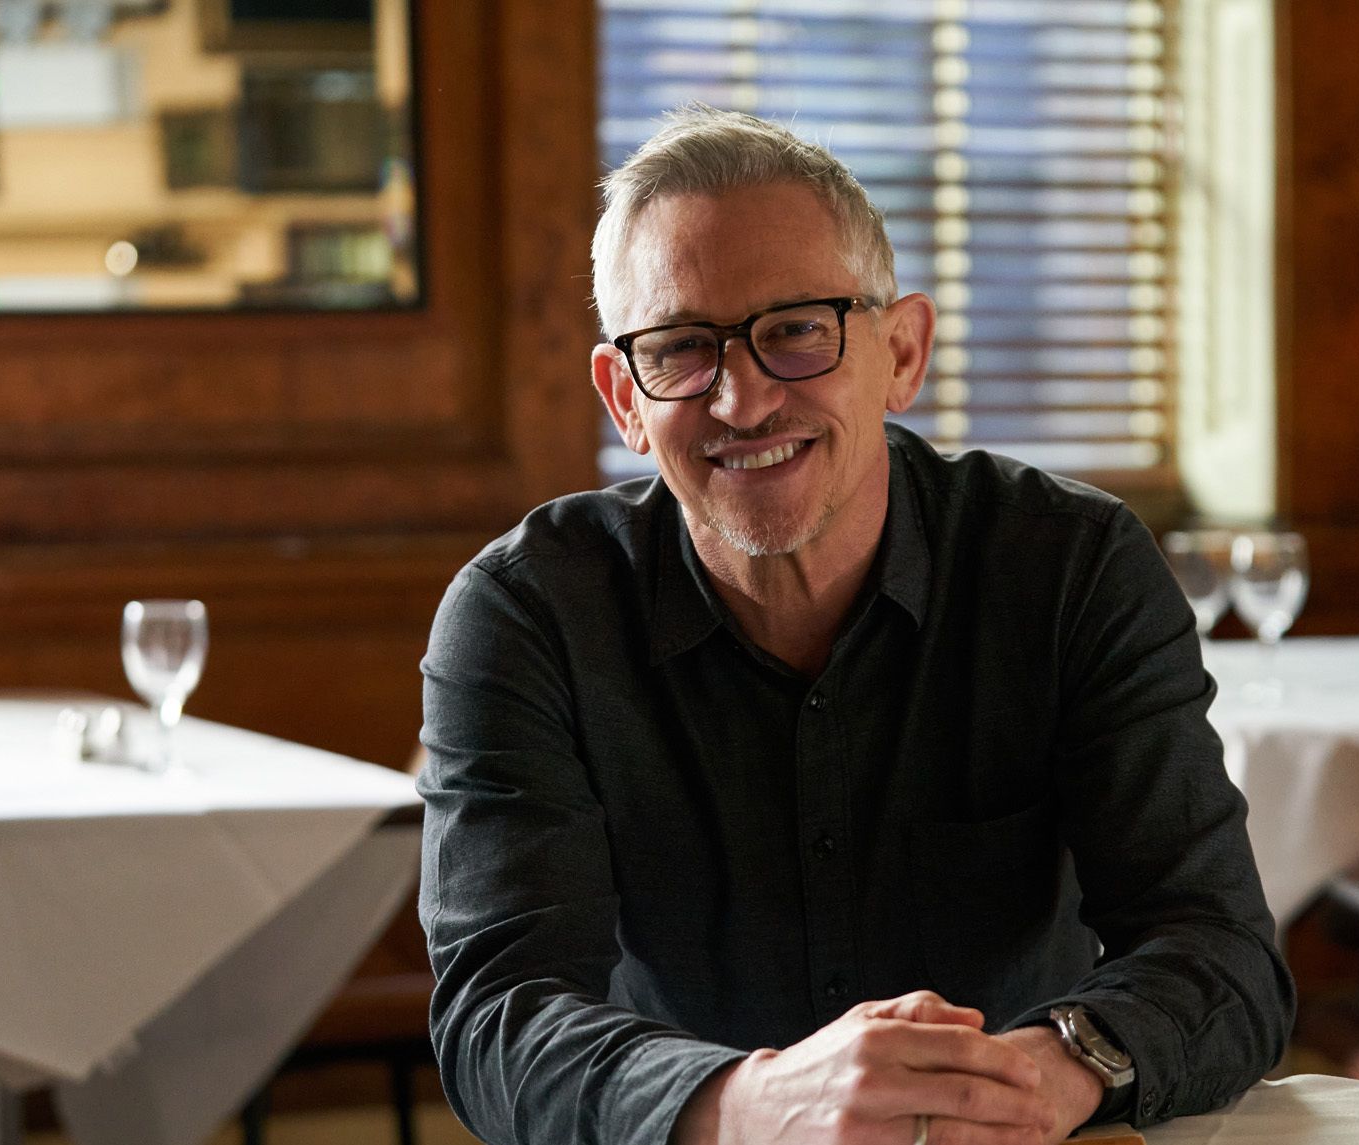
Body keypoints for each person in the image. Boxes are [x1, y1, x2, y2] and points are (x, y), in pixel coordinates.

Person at [418, 107, 1293, 1145]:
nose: (743, 402)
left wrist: (1042, 1073)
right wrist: (751, 1104)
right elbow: (498, 1014)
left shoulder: (1069, 565)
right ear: (624, 397)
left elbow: (1221, 951)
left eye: (796, 329)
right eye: (683, 347)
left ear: (902, 352)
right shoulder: (528, 614)